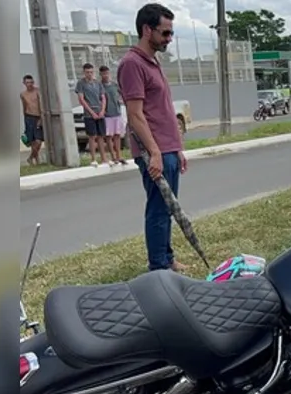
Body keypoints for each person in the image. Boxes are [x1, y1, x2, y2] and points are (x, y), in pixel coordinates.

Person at [117, 3, 189, 273]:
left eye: (171, 33)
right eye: (165, 33)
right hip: (154, 151)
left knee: (169, 208)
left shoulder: (153, 62)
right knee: (159, 210)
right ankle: (158, 266)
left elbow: (163, 111)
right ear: (147, 30)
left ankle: (167, 258)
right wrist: (155, 152)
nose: (169, 39)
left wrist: (177, 148)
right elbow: (135, 115)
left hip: (168, 149)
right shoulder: (132, 64)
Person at [75, 63, 108, 166]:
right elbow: (81, 99)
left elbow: (103, 97)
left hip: (99, 112)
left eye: (91, 72)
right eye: (87, 72)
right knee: (92, 136)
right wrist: (91, 112)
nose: (89, 74)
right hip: (89, 114)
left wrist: (102, 110)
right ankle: (93, 159)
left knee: (101, 136)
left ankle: (104, 158)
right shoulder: (81, 83)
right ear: (84, 72)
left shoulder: (97, 83)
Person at [99, 66, 128, 165]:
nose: (105, 75)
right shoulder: (100, 86)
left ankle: (119, 156)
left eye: (107, 73)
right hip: (107, 114)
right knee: (109, 136)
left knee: (117, 135)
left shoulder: (115, 85)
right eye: (103, 74)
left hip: (117, 112)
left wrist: (121, 100)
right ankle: (113, 156)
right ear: (100, 75)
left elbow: (123, 93)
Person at [20, 75, 44, 166]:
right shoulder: (23, 94)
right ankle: (36, 160)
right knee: (32, 141)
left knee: (39, 140)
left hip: (38, 116)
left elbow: (41, 105)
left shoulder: (37, 91)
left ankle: (30, 158)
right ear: (24, 83)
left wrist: (41, 117)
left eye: (31, 82)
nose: (29, 84)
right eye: (27, 83)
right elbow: (24, 107)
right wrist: (25, 119)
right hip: (29, 117)